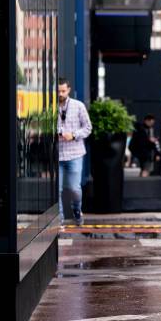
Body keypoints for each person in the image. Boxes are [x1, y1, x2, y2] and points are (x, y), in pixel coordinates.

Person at [56, 77, 92, 226]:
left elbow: (88, 128)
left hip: (75, 154)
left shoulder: (78, 106)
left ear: (69, 90)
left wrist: (74, 135)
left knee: (74, 188)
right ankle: (60, 218)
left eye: (63, 91)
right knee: (56, 189)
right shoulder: (50, 107)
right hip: (57, 154)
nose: (61, 94)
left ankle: (77, 210)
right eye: (58, 91)